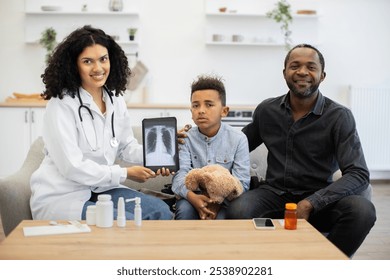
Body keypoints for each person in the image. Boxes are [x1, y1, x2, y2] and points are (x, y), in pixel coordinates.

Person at [225, 44, 376, 258]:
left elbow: (358, 174)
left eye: (311, 67)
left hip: (319, 198)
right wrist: (195, 138)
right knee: (238, 211)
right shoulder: (267, 111)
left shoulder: (339, 116)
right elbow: (236, 146)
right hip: (273, 194)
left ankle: (321, 267)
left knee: (362, 211)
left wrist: (312, 202)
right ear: (284, 72)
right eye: (294, 66)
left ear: (322, 75)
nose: (302, 72)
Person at [30, 25, 173, 221]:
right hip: (64, 194)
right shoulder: (61, 105)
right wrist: (124, 173)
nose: (98, 68)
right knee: (122, 223)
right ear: (74, 65)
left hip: (102, 189)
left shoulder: (115, 98)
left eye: (103, 59)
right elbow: (72, 167)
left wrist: (160, 153)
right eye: (88, 61)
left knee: (160, 211)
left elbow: (126, 147)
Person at [172, 75, 251, 220]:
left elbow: (242, 183)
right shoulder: (185, 137)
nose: (201, 110)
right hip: (192, 198)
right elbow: (179, 177)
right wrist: (193, 199)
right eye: (196, 105)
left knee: (221, 220)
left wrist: (217, 203)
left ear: (224, 111)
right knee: (185, 212)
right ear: (191, 112)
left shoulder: (238, 139)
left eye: (209, 104)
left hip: (226, 201)